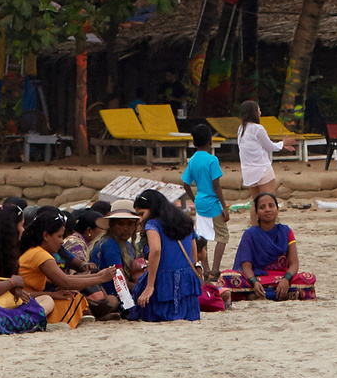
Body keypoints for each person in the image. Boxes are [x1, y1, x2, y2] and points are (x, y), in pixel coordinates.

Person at [17, 205, 122, 326]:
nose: (62, 241)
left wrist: (98, 275)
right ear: (45, 236)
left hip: (35, 297)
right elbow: (66, 282)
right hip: (27, 301)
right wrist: (100, 278)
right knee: (73, 299)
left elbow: (66, 278)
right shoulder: (40, 255)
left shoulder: (39, 252)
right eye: (59, 236)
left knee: (74, 297)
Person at [131, 188, 206, 321]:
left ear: (152, 209)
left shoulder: (152, 225)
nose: (141, 219)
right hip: (187, 282)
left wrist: (150, 286)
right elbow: (193, 257)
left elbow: (156, 250)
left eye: (142, 214)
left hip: (164, 282)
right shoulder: (186, 221)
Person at [229, 191, 314, 300]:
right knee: (227, 277)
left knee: (308, 278)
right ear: (256, 213)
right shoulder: (250, 234)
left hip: (281, 278)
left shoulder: (286, 232)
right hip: (258, 278)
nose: (267, 210)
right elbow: (246, 266)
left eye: (271, 206)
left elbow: (294, 264)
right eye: (262, 207)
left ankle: (257, 295)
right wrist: (254, 282)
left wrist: (286, 279)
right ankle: (284, 295)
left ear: (277, 210)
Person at [180, 129, 228, 278]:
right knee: (223, 235)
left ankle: (205, 269)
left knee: (203, 236)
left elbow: (185, 183)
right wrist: (224, 206)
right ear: (210, 141)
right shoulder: (212, 160)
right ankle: (215, 268)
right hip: (212, 202)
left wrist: (193, 198)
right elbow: (216, 185)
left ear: (194, 143)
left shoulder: (192, 160)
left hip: (200, 201)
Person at [234, 98, 288, 207]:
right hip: (262, 169)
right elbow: (270, 146)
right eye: (258, 110)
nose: (260, 113)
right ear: (253, 113)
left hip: (248, 171)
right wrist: (282, 143)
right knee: (269, 202)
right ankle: (268, 224)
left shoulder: (241, 129)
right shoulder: (258, 129)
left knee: (256, 203)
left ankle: (255, 224)